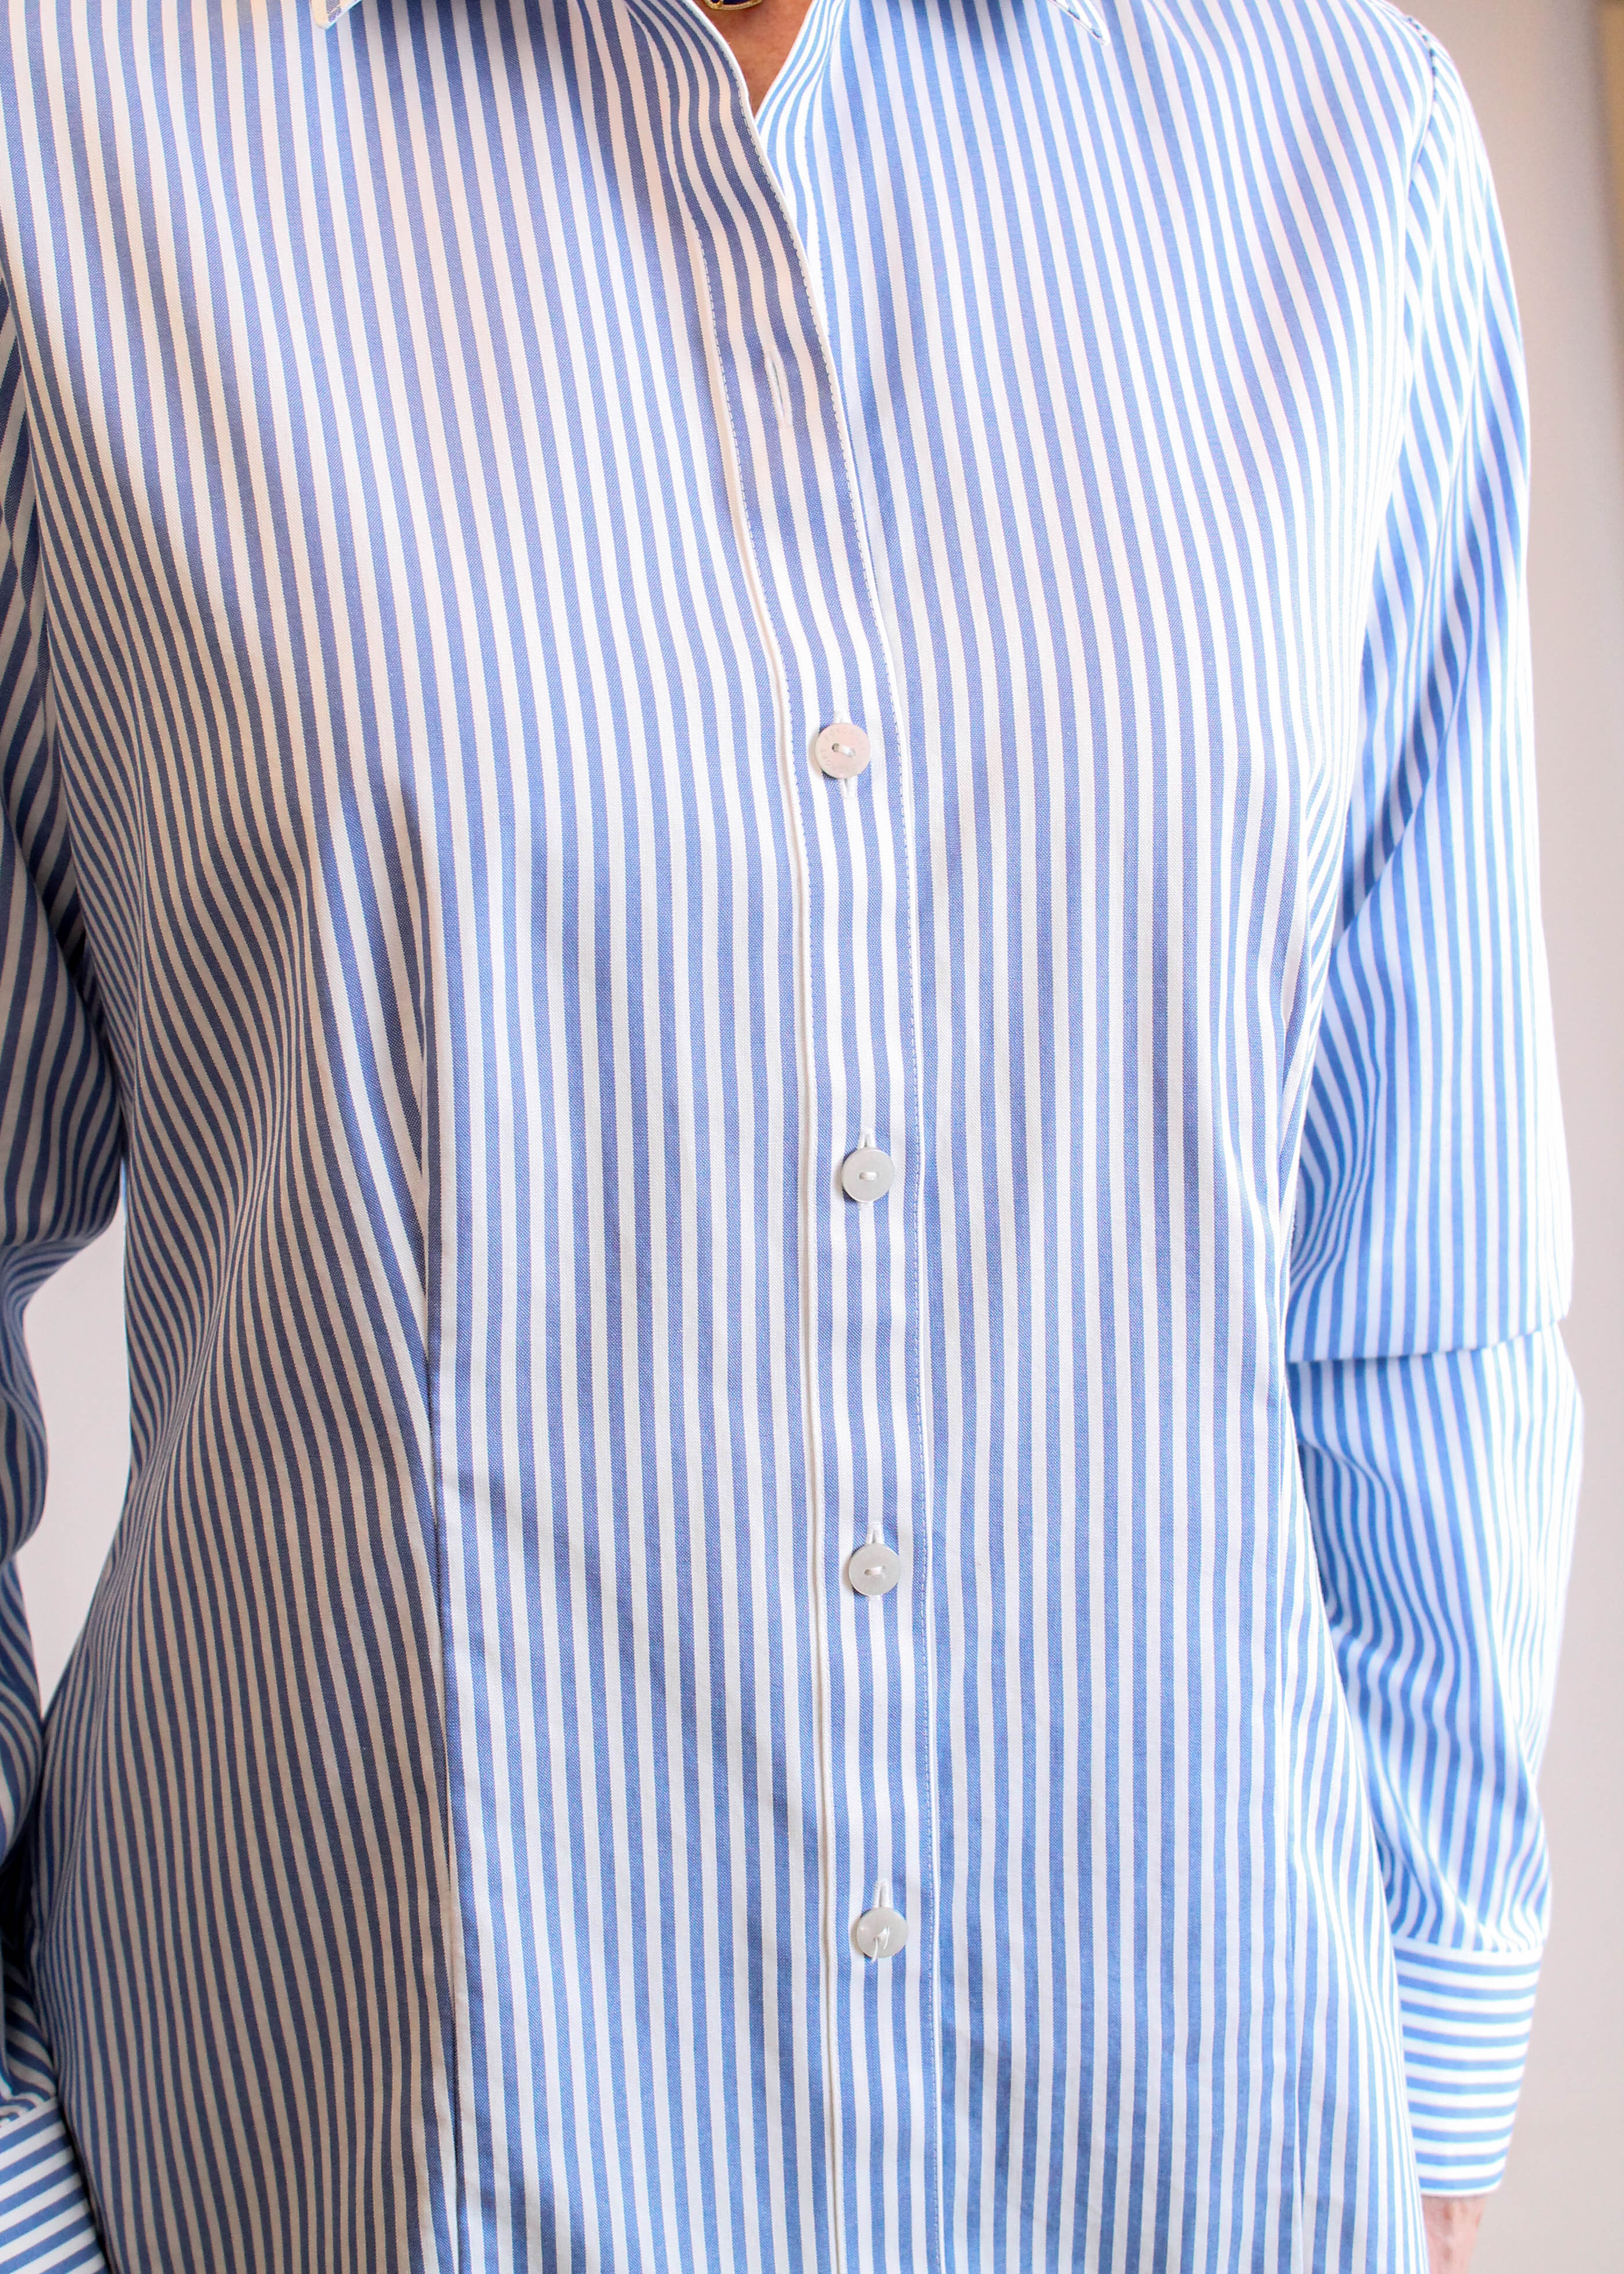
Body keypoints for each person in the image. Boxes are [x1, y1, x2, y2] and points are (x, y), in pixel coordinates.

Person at [0, 0, 1580, 2263]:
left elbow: (1412, 1282)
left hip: (1194, 2170)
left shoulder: (1346, 150)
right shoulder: (62, 137)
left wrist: (1421, 2113)